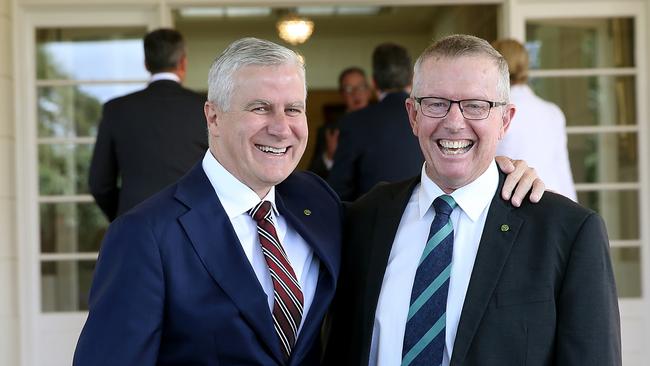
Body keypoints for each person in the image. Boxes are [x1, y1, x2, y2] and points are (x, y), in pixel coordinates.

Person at [74, 37, 543, 366]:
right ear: (213, 117)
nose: (282, 127)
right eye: (260, 108)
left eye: (294, 109)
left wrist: (493, 172)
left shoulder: (313, 201)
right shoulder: (145, 236)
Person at [325, 34, 620, 366]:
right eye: (436, 103)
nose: (453, 123)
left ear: (504, 120)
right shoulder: (366, 218)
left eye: (475, 106)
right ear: (413, 115)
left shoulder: (566, 233)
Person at [88, 28, 208, 221]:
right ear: (183, 62)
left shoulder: (116, 110)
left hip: (134, 224)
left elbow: (99, 184)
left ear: (146, 64)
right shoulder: (206, 109)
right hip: (194, 223)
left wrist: (124, 215)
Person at [328, 43, 423, 201]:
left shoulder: (353, 122)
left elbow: (338, 190)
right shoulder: (428, 117)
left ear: (373, 82)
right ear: (412, 79)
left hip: (370, 221)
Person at [492, 38, 577, 201]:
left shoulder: (494, 110)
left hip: (511, 200)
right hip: (554, 200)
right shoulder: (553, 112)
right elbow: (562, 170)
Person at [308, 67, 372, 179]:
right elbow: (312, 176)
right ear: (342, 94)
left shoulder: (382, 125)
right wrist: (329, 156)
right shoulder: (329, 131)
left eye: (360, 87)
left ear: (368, 91)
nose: (356, 93)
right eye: (348, 89)